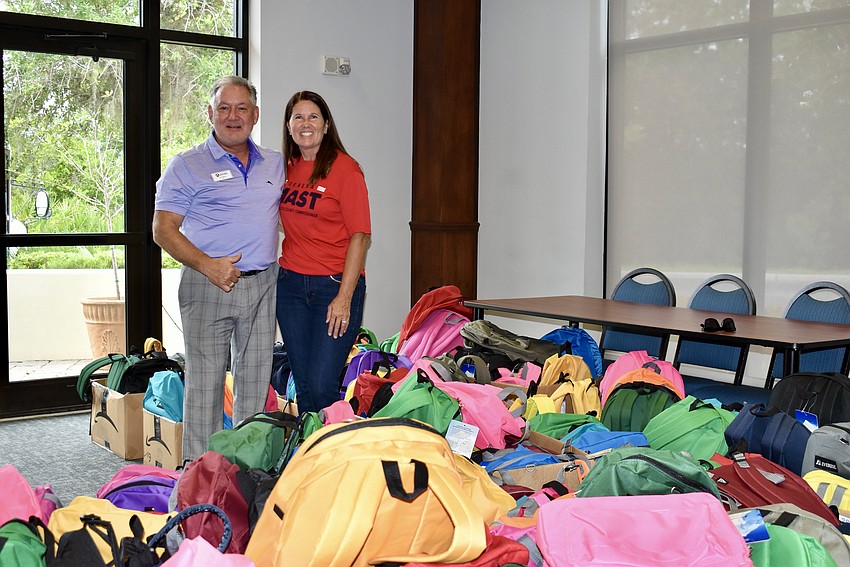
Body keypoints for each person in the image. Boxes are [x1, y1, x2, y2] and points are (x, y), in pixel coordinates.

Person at [152, 76, 285, 462]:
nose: (232, 116)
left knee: (255, 382)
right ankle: (199, 476)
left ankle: (245, 469)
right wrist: (209, 266)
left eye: (241, 108)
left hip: (262, 285)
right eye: (223, 108)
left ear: (255, 115)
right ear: (210, 114)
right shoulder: (187, 165)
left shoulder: (275, 163)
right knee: (206, 386)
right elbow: (162, 229)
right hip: (207, 284)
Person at [277, 91, 371, 414]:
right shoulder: (285, 168)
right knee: (303, 384)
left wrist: (344, 297)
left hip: (333, 287)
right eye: (298, 117)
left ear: (327, 124)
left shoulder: (346, 170)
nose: (306, 124)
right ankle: (310, 457)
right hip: (290, 288)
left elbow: (360, 236)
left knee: (322, 384)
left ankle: (334, 455)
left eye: (313, 116)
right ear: (289, 126)